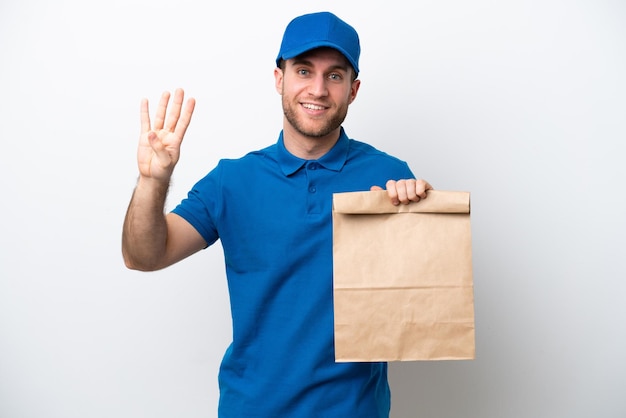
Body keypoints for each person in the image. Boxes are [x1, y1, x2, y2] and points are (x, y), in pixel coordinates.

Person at [122, 11, 432, 418]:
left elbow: (421, 306)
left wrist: (417, 219)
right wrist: (152, 181)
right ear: (278, 78)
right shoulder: (231, 181)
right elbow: (143, 256)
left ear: (353, 90)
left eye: (334, 76)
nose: (318, 90)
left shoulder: (387, 176)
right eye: (304, 70)